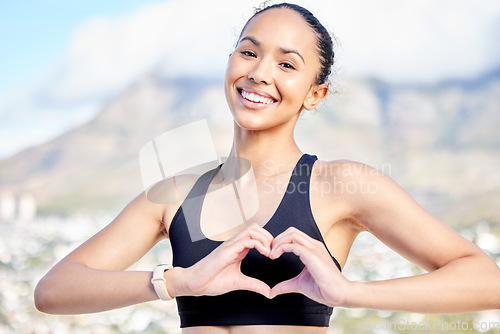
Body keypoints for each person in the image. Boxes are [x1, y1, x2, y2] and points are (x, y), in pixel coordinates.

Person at [34, 2, 500, 333]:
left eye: (287, 64)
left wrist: (350, 292)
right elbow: (53, 290)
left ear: (314, 95)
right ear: (231, 63)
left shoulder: (339, 185)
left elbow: (487, 282)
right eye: (249, 52)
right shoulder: (175, 194)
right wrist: (180, 282)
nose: (260, 72)